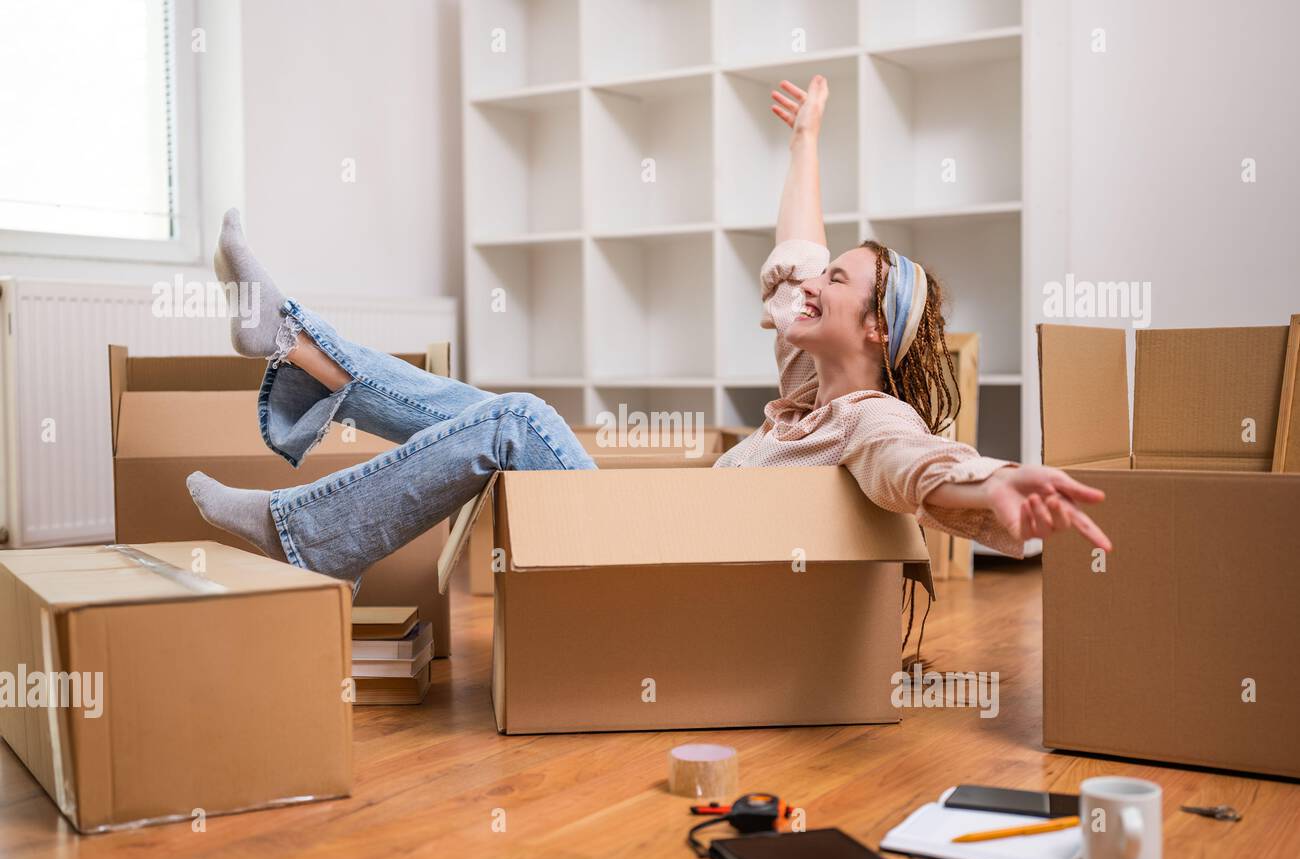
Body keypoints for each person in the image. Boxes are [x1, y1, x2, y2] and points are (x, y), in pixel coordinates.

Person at [187, 74, 1109, 595]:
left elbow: (925, 472)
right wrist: (806, 142)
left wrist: (1000, 485)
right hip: (647, 547)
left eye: (840, 281)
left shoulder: (868, 422)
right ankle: (296, 343)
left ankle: (300, 533)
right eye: (825, 272)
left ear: (875, 329)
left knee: (519, 418)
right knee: (485, 412)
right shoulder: (805, 393)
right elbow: (797, 244)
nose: (814, 282)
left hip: (655, 571)